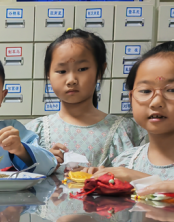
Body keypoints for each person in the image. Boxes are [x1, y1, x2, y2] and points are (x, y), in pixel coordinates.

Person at [27, 29, 146, 169]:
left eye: (82, 69)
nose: (71, 80)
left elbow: (137, 179)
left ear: (100, 71)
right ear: (48, 74)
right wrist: (44, 162)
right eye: (61, 71)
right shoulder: (35, 131)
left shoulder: (123, 131)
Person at [86, 41, 174, 181]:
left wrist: (142, 179)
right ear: (131, 98)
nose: (156, 102)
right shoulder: (126, 162)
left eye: (172, 90)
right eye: (145, 91)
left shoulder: (128, 172)